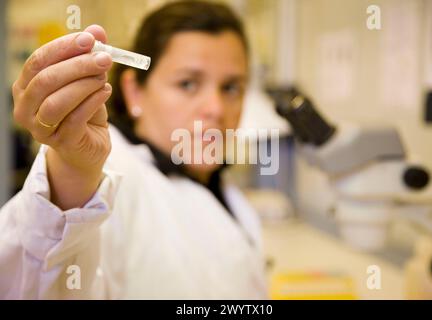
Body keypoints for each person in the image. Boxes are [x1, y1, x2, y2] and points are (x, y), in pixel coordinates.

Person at [0, 0, 267, 299]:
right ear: (134, 91)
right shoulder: (113, 171)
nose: (216, 109)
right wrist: (72, 171)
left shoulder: (217, 183)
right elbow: (44, 279)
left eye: (231, 88)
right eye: (188, 83)